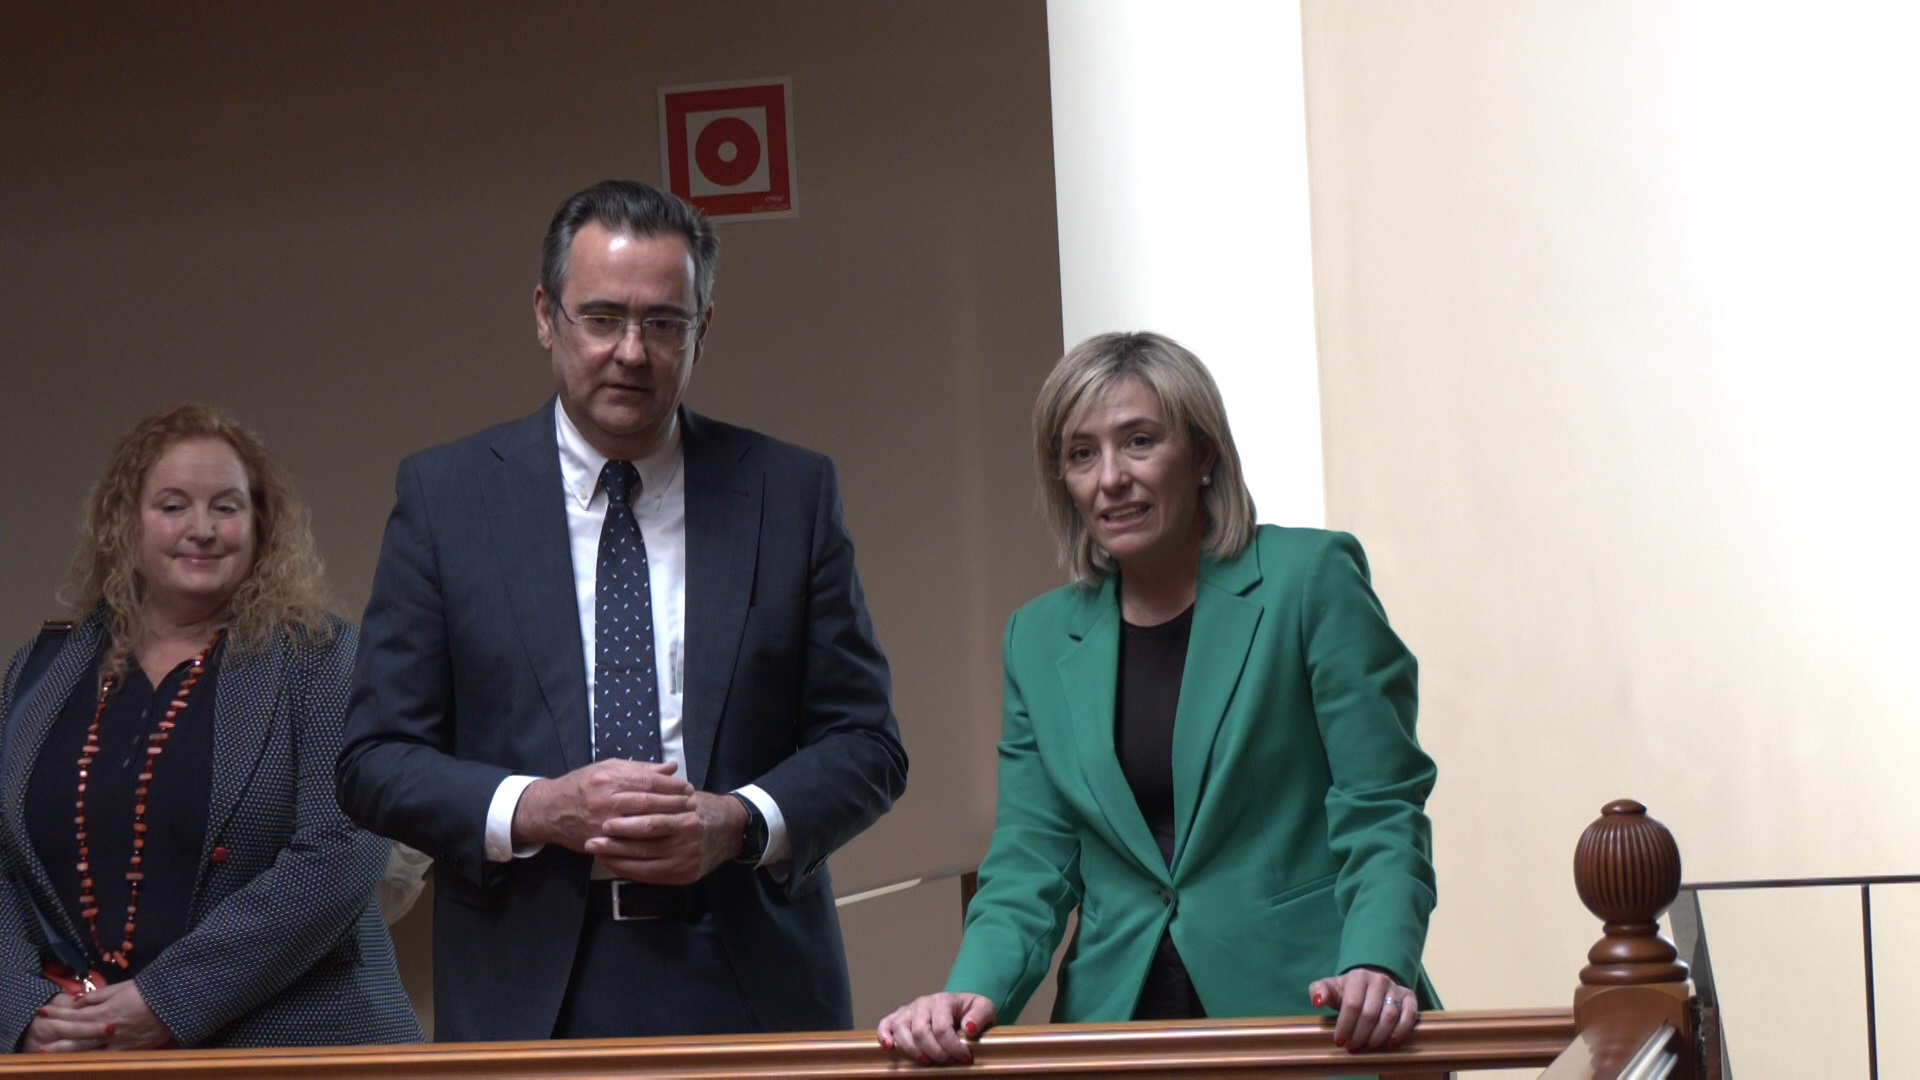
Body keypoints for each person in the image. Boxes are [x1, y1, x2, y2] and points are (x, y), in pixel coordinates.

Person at [337, 179, 908, 1041]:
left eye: (663, 323)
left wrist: (738, 822)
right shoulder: (447, 500)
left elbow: (867, 744)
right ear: (547, 317)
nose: (631, 352)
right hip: (528, 987)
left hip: (750, 974)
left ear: (702, 329)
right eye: (601, 318)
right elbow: (374, 760)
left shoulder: (788, 494)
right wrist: (538, 808)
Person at [878, 332, 1439, 1065]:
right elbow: (1029, 861)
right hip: (1121, 1028)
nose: (1111, 478)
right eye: (1082, 454)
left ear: (1203, 454)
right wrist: (970, 988)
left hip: (1317, 1013)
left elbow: (1382, 806)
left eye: (1139, 441)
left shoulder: (1311, 580)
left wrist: (1378, 960)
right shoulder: (1036, 639)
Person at [0, 405, 422, 1052]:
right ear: (124, 524)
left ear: (260, 526)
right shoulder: (42, 669)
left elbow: (342, 850)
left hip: (295, 1051)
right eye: (173, 507)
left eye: (226, 508)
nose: (201, 529)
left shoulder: (318, 658)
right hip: (77, 1054)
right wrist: (24, 1011)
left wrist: (167, 1001)